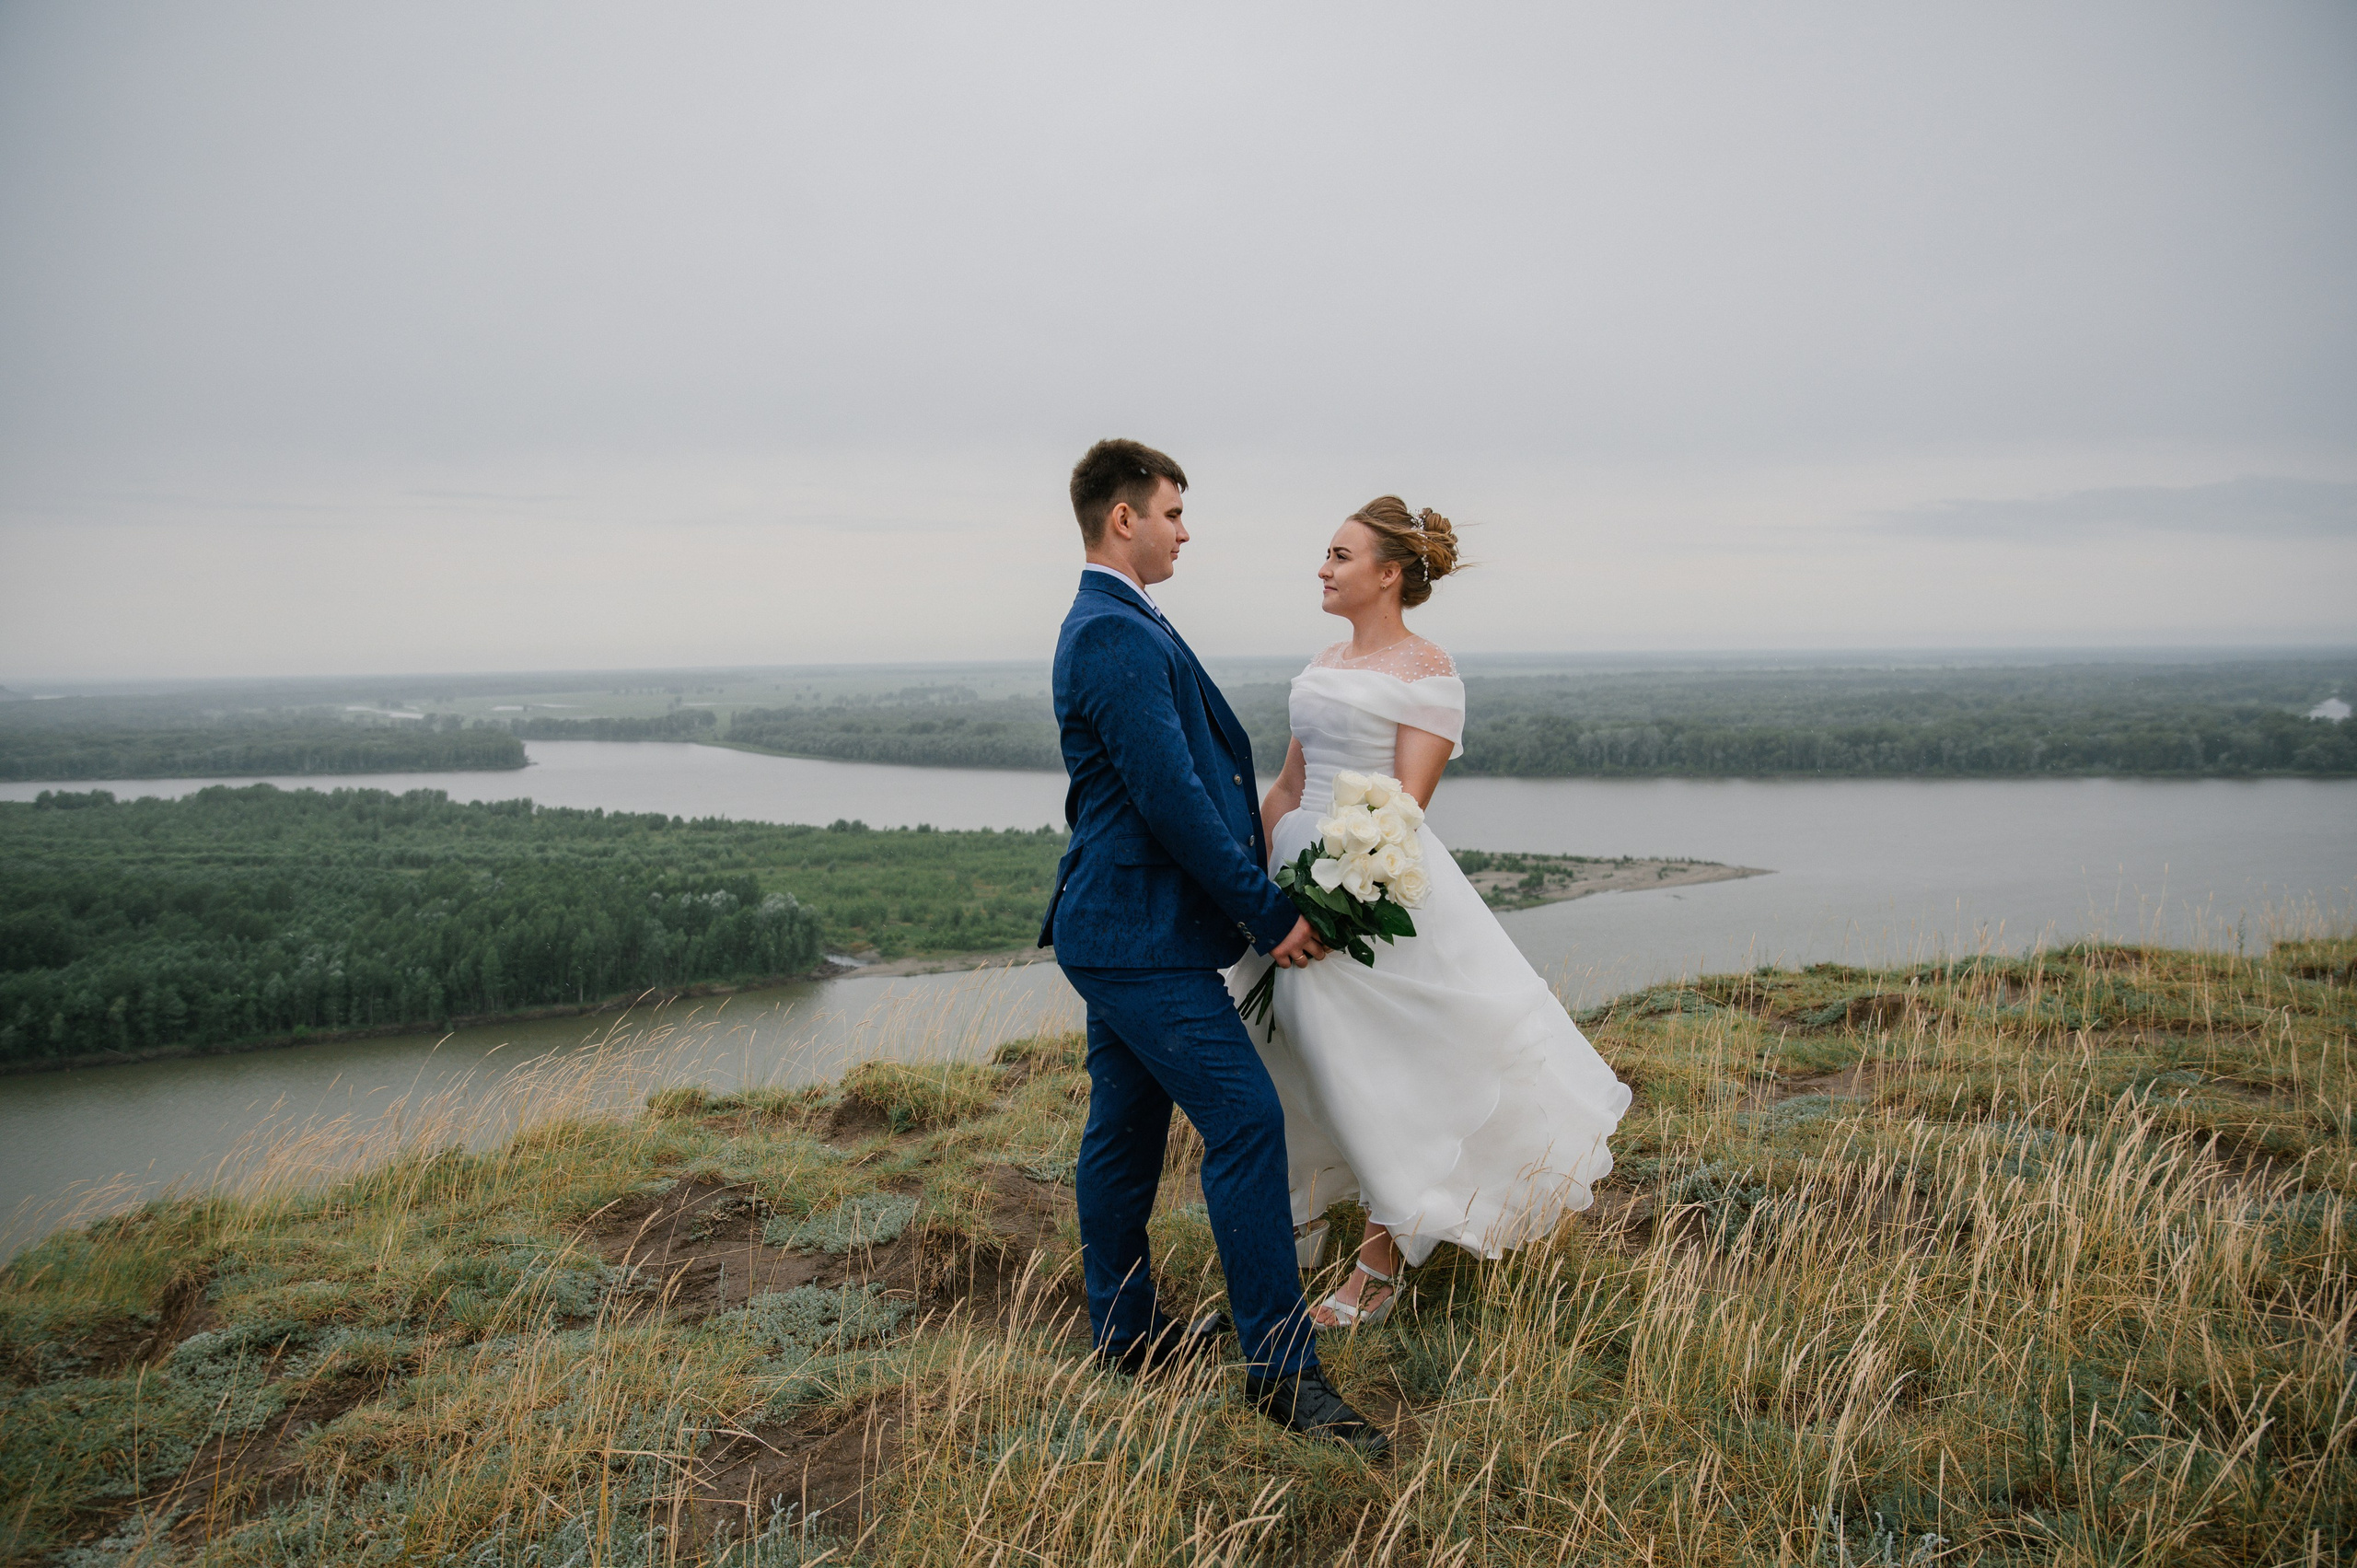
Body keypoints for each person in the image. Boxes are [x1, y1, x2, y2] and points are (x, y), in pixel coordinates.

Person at [1041, 438, 1388, 1456]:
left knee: (1124, 1129)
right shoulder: (1110, 631)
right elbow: (1172, 803)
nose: (1185, 531)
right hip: (1136, 933)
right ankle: (1281, 1373)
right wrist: (1268, 912)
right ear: (1123, 518)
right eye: (1173, 513)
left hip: (1122, 926)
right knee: (1243, 1121)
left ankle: (1125, 1333)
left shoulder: (1121, 619)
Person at [1232, 497, 1631, 1329]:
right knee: (1283, 1044)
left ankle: (1382, 1260)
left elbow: (1405, 807)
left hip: (1367, 886)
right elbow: (1291, 784)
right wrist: (1257, 877)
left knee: (1377, 1064)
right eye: (1325, 554)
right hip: (1291, 878)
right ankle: (1301, 1211)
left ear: (1388, 574)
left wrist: (1338, 900)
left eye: (1340, 555)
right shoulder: (1321, 658)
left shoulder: (1427, 670)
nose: (1323, 568)